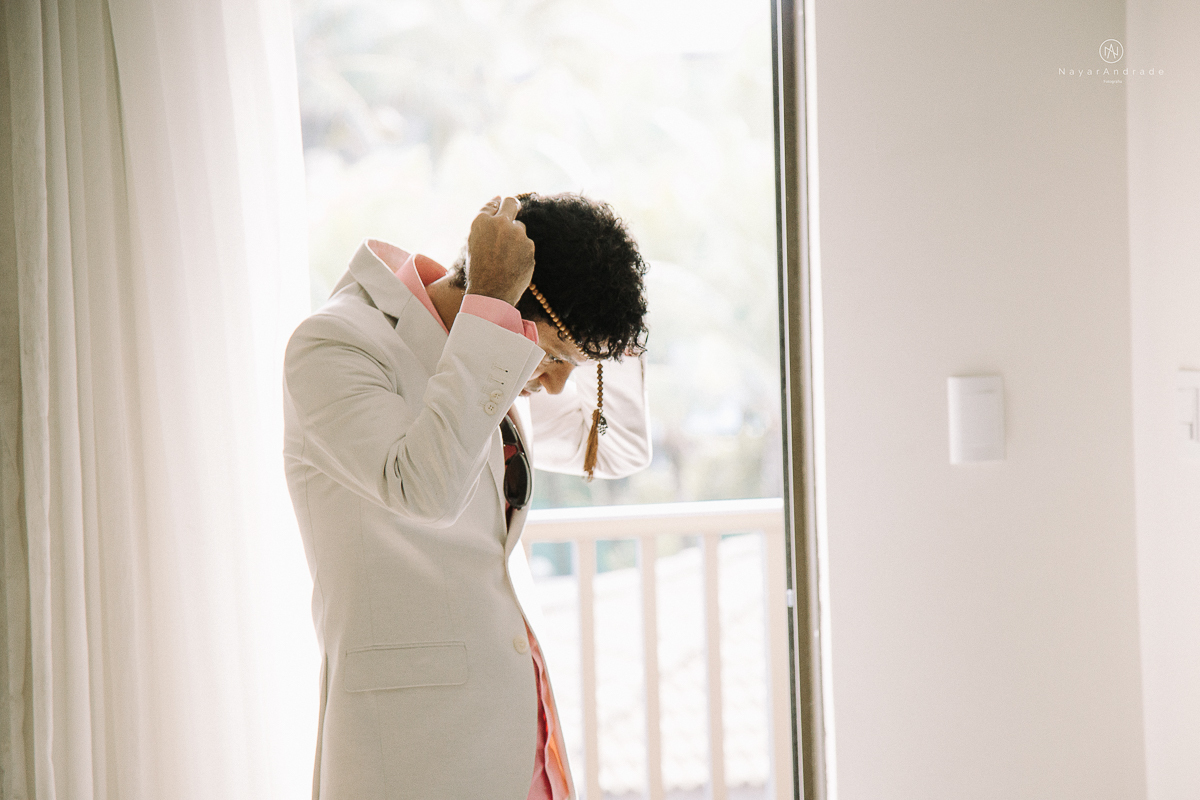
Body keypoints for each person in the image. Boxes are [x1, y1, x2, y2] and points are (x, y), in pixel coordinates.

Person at [283, 193, 652, 800]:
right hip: (414, 754)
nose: (559, 383)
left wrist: (609, 322)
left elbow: (619, 449)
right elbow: (424, 490)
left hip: (522, 738)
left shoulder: (500, 370)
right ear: (509, 307)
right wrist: (492, 309)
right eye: (557, 359)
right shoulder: (336, 345)